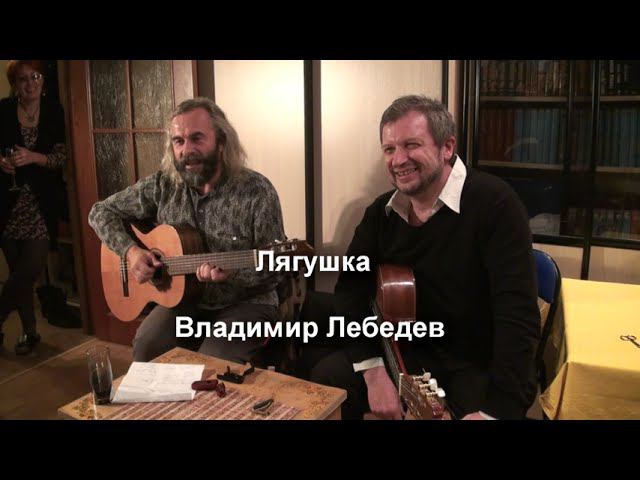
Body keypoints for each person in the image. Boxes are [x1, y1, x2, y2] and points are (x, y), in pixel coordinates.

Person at [309, 95, 540, 420]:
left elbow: (517, 319)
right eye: (389, 149)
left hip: (472, 362)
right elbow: (350, 291)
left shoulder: (496, 205)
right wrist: (374, 374)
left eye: (411, 145)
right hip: (403, 352)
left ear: (447, 147)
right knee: (327, 381)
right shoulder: (381, 213)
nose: (398, 159)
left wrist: (495, 411)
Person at [88, 97, 286, 364]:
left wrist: (233, 273)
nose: (186, 150)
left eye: (197, 138)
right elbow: (100, 212)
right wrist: (131, 252)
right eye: (178, 141)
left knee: (211, 363)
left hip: (246, 303)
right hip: (183, 301)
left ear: (221, 141)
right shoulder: (163, 185)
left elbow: (278, 269)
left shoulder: (257, 191)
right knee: (148, 345)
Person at [0, 60, 67, 355]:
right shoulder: (3, 110)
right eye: (22, 79)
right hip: (6, 203)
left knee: (26, 272)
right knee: (19, 274)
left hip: (41, 204)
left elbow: (61, 158)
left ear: (42, 80)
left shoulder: (53, 110)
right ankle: (30, 332)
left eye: (35, 76)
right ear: (15, 85)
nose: (30, 84)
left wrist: (33, 157)